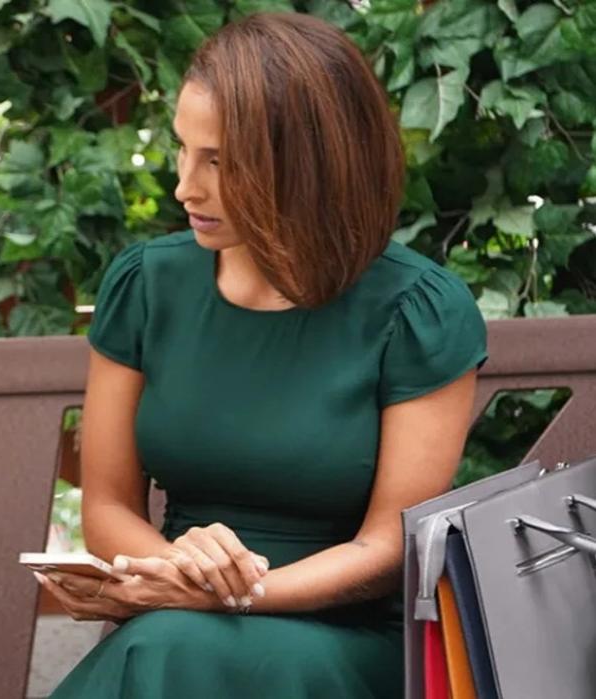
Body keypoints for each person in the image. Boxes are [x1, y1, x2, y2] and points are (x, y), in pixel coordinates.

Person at [39, 13, 486, 698]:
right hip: (177, 617)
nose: (185, 186)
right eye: (183, 150)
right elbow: (106, 506)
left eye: (218, 161)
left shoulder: (417, 311)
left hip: (344, 636)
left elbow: (387, 548)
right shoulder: (147, 285)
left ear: (305, 163)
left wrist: (236, 595)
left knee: (173, 647)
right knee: (169, 644)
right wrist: (180, 577)